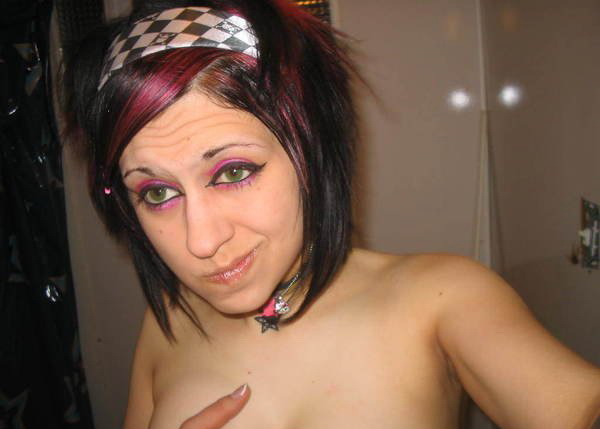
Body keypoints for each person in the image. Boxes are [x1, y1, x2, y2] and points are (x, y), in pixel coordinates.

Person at [62, 1, 600, 428]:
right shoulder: (167, 322)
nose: (200, 241)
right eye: (157, 192)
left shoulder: (440, 299)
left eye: (233, 171)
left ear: (311, 152)